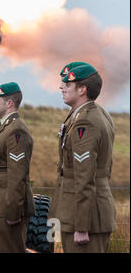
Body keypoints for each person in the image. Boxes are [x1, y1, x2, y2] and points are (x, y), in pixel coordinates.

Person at [51, 64, 116, 252]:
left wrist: (82, 226)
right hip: (86, 213)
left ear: (82, 90)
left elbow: (84, 176)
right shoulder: (93, 114)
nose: (61, 87)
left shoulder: (85, 122)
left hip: (85, 219)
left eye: (67, 84)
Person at [0, 82, 35, 253]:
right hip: (2, 203)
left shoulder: (16, 130)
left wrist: (13, 211)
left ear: (9, 103)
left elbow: (17, 174)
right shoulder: (6, 127)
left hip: (8, 205)